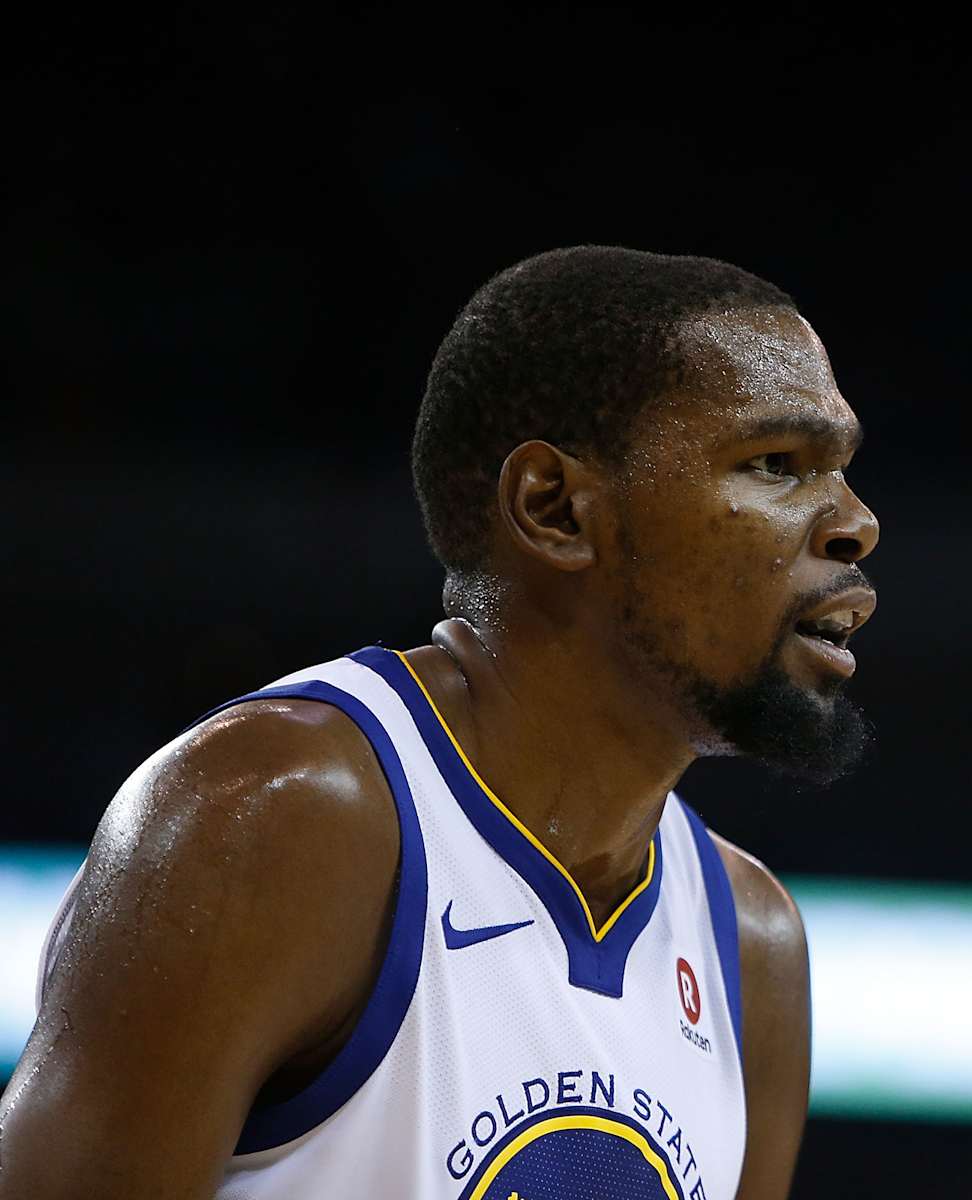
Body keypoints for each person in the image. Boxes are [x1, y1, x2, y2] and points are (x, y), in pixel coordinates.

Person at [0, 246, 879, 1199]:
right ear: (554, 509)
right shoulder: (276, 818)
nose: (855, 522)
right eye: (776, 464)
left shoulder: (751, 948)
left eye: (842, 471)